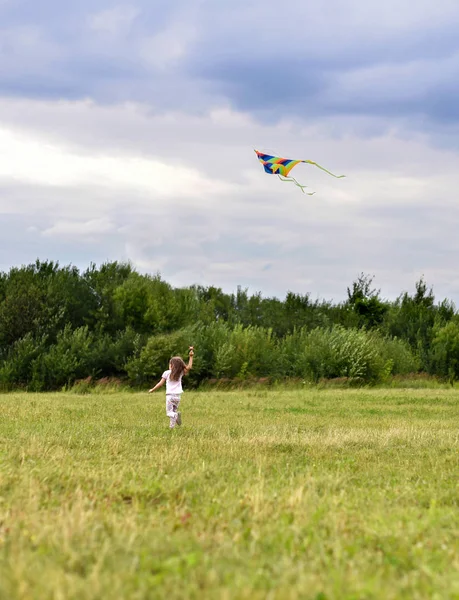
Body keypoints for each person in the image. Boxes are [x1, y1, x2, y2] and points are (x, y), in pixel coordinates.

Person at [148, 347, 194, 429]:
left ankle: (176, 416)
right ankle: (171, 428)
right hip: (178, 397)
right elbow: (189, 367)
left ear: (172, 365)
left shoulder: (166, 373)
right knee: (173, 411)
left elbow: (160, 384)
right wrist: (191, 356)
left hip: (170, 396)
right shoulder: (181, 373)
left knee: (169, 413)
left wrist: (152, 389)